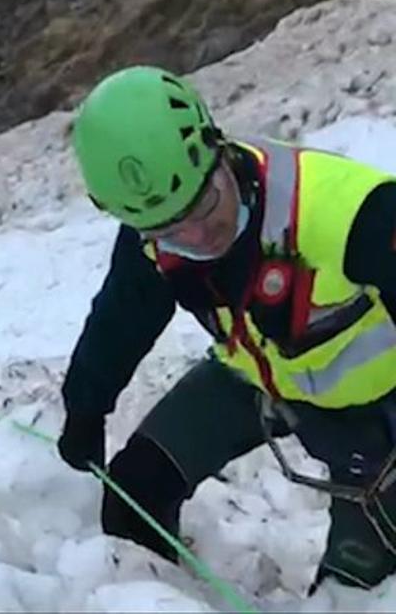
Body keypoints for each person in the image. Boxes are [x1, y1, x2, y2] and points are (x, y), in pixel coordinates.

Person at [58, 65, 396, 593]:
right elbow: (121, 319)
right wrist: (84, 407)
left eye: (205, 203)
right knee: (133, 498)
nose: (198, 234)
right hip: (256, 382)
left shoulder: (354, 215)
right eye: (172, 231)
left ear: (219, 150)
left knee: (353, 589)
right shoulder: (155, 229)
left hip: (378, 413)